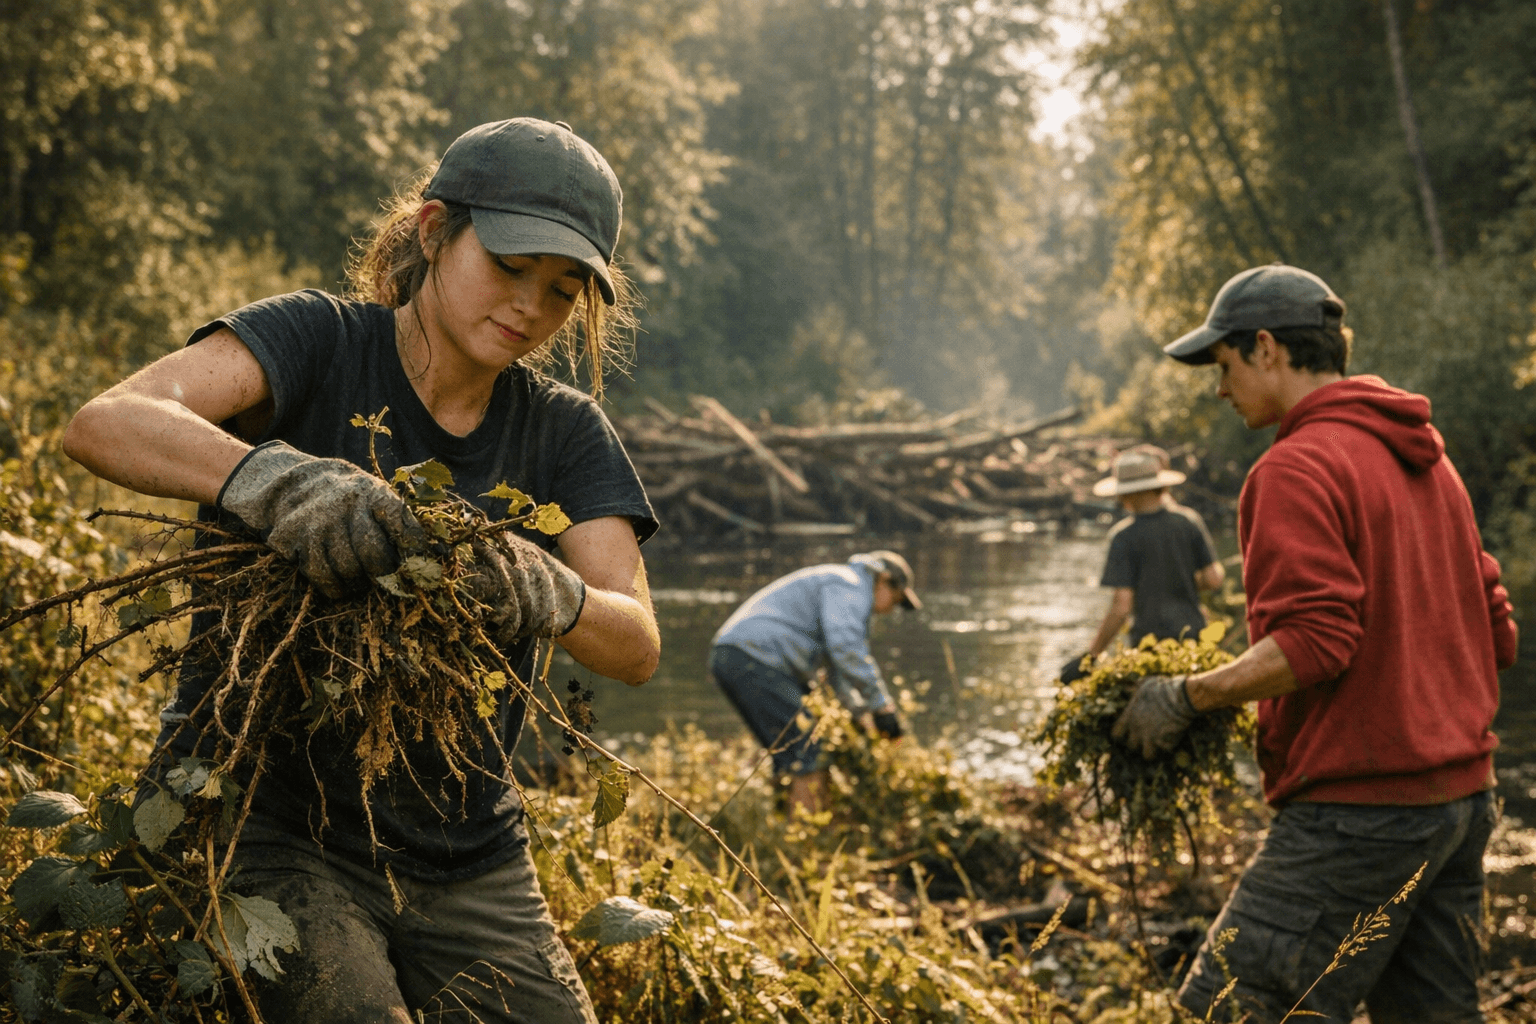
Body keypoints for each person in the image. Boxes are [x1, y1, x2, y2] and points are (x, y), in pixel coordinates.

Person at [62, 118, 661, 1024]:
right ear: (433, 232)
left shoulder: (565, 430)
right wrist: (274, 478)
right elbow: (108, 421)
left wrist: (553, 589)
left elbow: (638, 641)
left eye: (563, 288)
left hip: (470, 855)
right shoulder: (317, 342)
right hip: (271, 823)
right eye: (509, 266)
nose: (532, 306)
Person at [1113, 263, 1519, 1023]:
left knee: (1226, 1013)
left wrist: (1186, 696)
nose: (1219, 388)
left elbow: (1316, 643)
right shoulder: (1432, 463)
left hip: (1359, 813)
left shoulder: (1294, 468)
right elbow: (1499, 632)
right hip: (1463, 805)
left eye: (1224, 365)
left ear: (1267, 348)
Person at [709, 551, 920, 815]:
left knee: (787, 751)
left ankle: (782, 831)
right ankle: (809, 839)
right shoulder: (850, 584)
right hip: (756, 657)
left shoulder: (840, 584)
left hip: (733, 655)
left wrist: (860, 714)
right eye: (897, 600)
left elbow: (837, 674)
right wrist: (882, 707)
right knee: (809, 747)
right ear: (884, 580)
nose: (891, 610)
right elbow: (846, 649)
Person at [1060, 445, 1224, 682]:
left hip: (1149, 649)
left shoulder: (1124, 537)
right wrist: (1181, 579)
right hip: (1195, 644)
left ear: (1124, 494)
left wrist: (1092, 655)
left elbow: (1121, 606)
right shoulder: (1188, 521)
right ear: (1161, 486)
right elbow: (1213, 579)